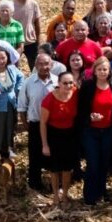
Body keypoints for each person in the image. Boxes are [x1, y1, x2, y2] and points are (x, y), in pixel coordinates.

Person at [78, 57, 112, 206]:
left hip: (108, 131)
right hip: (91, 132)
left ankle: (102, 192)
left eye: (105, 69)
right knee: (93, 164)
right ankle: (89, 196)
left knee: (104, 163)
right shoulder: (88, 86)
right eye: (99, 69)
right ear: (94, 71)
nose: (102, 72)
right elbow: (80, 110)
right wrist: (89, 118)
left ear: (109, 71)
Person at [20, 53, 59, 192]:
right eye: (40, 64)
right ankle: (35, 184)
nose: (44, 67)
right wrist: (26, 125)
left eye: (46, 64)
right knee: (35, 156)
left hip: (54, 125)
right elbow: (22, 107)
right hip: (35, 124)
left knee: (54, 155)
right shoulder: (28, 82)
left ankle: (54, 185)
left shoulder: (57, 82)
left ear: (51, 65)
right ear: (35, 66)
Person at [40, 71, 79, 208]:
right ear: (58, 84)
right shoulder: (49, 99)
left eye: (70, 83)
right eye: (65, 83)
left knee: (67, 168)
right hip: (54, 135)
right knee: (55, 169)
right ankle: (56, 195)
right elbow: (43, 123)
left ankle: (65, 195)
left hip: (70, 135)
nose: (68, 86)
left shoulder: (76, 93)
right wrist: (45, 144)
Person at [12, 0, 43, 67]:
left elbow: (37, 23)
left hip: (31, 41)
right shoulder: (11, 5)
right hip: (16, 41)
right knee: (14, 66)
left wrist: (38, 40)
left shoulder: (33, 4)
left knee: (35, 66)